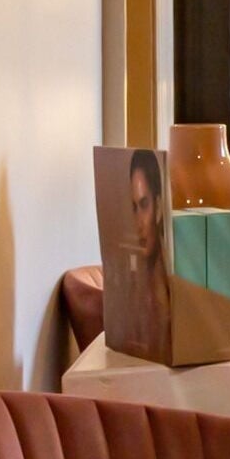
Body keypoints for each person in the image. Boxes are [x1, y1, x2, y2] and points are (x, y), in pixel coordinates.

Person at [95, 146, 172, 358]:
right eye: (133, 207)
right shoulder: (131, 293)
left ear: (158, 207)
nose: (138, 223)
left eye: (144, 204)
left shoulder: (176, 289)